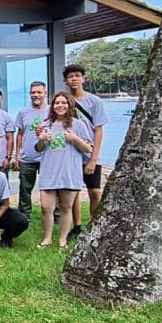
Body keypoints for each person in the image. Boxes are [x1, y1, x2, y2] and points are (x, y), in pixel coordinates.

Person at [35, 92, 93, 249]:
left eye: (64, 103)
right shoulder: (46, 124)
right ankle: (47, 238)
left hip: (69, 172)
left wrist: (74, 138)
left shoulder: (78, 124)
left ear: (69, 106)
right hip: (49, 172)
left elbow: (88, 148)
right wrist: (41, 139)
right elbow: (39, 149)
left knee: (66, 207)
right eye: (57, 103)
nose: (60, 105)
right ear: (53, 106)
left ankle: (63, 239)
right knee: (46, 207)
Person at [63, 64, 108, 240]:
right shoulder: (64, 101)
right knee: (73, 193)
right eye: (70, 76)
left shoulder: (94, 101)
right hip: (71, 154)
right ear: (65, 81)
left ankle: (94, 224)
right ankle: (77, 226)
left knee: (94, 191)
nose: (74, 79)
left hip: (89, 154)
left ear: (83, 78)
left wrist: (93, 159)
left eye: (77, 76)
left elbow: (99, 130)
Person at [12, 81, 49, 219]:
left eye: (39, 92)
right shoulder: (23, 112)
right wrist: (17, 156)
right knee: (25, 189)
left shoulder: (52, 111)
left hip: (47, 156)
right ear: (30, 94)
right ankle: (24, 216)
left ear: (45, 93)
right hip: (27, 156)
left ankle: (55, 215)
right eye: (33, 92)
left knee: (50, 188)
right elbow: (20, 134)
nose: (36, 95)